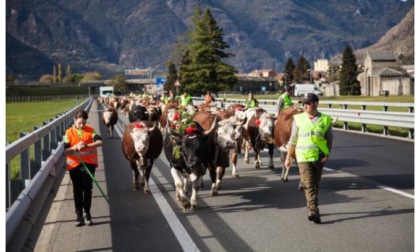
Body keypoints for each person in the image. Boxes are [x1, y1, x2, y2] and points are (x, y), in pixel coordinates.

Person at [284, 93, 333, 224]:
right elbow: (293, 140)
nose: (305, 105)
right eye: (303, 103)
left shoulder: (326, 120)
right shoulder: (298, 119)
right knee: (308, 183)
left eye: (308, 103)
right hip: (302, 156)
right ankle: (313, 209)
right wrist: (288, 157)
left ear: (316, 103)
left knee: (315, 184)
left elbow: (329, 139)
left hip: (319, 157)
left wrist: (327, 155)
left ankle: (312, 207)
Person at [64, 110, 103, 227]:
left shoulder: (91, 130)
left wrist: (86, 145)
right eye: (80, 123)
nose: (82, 125)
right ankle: (79, 215)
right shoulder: (68, 132)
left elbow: (99, 142)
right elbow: (66, 150)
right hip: (74, 165)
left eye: (84, 123)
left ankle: (87, 213)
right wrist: (76, 147)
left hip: (89, 164)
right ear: (74, 120)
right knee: (77, 190)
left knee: (87, 189)